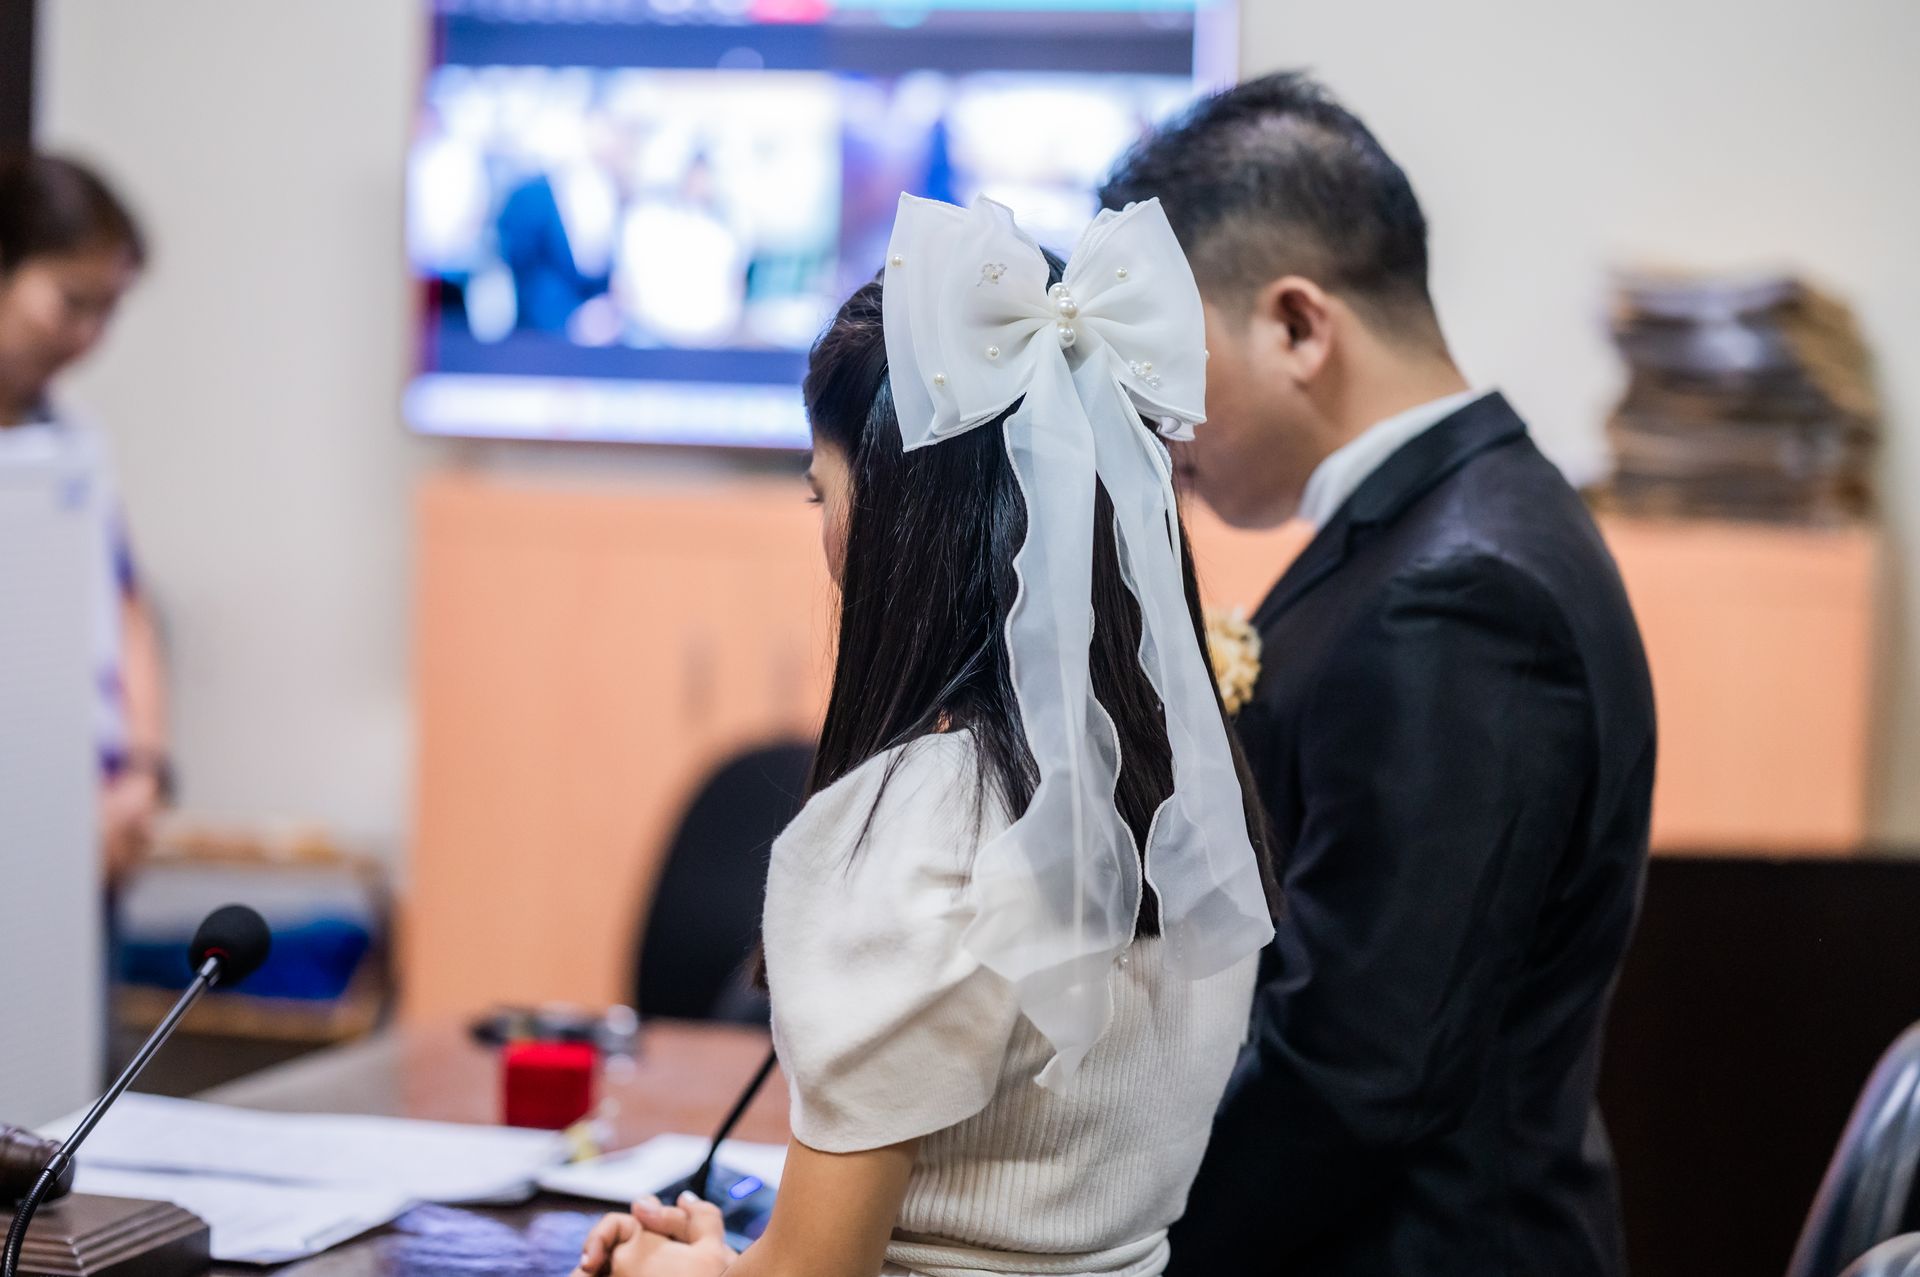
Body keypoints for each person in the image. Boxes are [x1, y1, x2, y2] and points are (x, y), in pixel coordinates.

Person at [572, 194, 1276, 1277]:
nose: (828, 536)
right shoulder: (1191, 803)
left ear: (901, 518)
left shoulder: (923, 822)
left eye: (823, 496)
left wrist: (677, 1269)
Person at [1099, 73, 1657, 1277]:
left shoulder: (1459, 592)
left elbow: (1353, 1071)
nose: (1152, 416)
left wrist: (1106, 1251)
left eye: (1158, 356)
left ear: (1299, 326)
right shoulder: (1445, 527)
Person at [0, 152, 170, 885]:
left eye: (109, 311)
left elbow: (126, 606)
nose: (88, 336)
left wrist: (142, 771)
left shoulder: (74, 445)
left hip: (92, 820)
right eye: (71, 303)